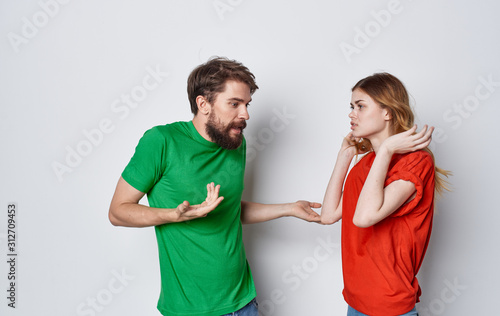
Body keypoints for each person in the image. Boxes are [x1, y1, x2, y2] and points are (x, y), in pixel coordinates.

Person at [108, 56, 321, 316]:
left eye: (246, 104)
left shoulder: (235, 144)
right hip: (190, 310)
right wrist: (174, 215)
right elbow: (118, 211)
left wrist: (289, 208)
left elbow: (229, 211)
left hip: (244, 302)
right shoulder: (161, 142)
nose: (245, 114)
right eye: (234, 104)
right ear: (203, 103)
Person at [320, 73, 450, 316]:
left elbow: (364, 217)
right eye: (351, 106)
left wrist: (387, 148)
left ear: (387, 112)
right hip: (355, 301)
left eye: (360, 106)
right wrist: (344, 158)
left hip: (390, 305)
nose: (352, 113)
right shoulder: (365, 166)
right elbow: (328, 215)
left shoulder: (416, 162)